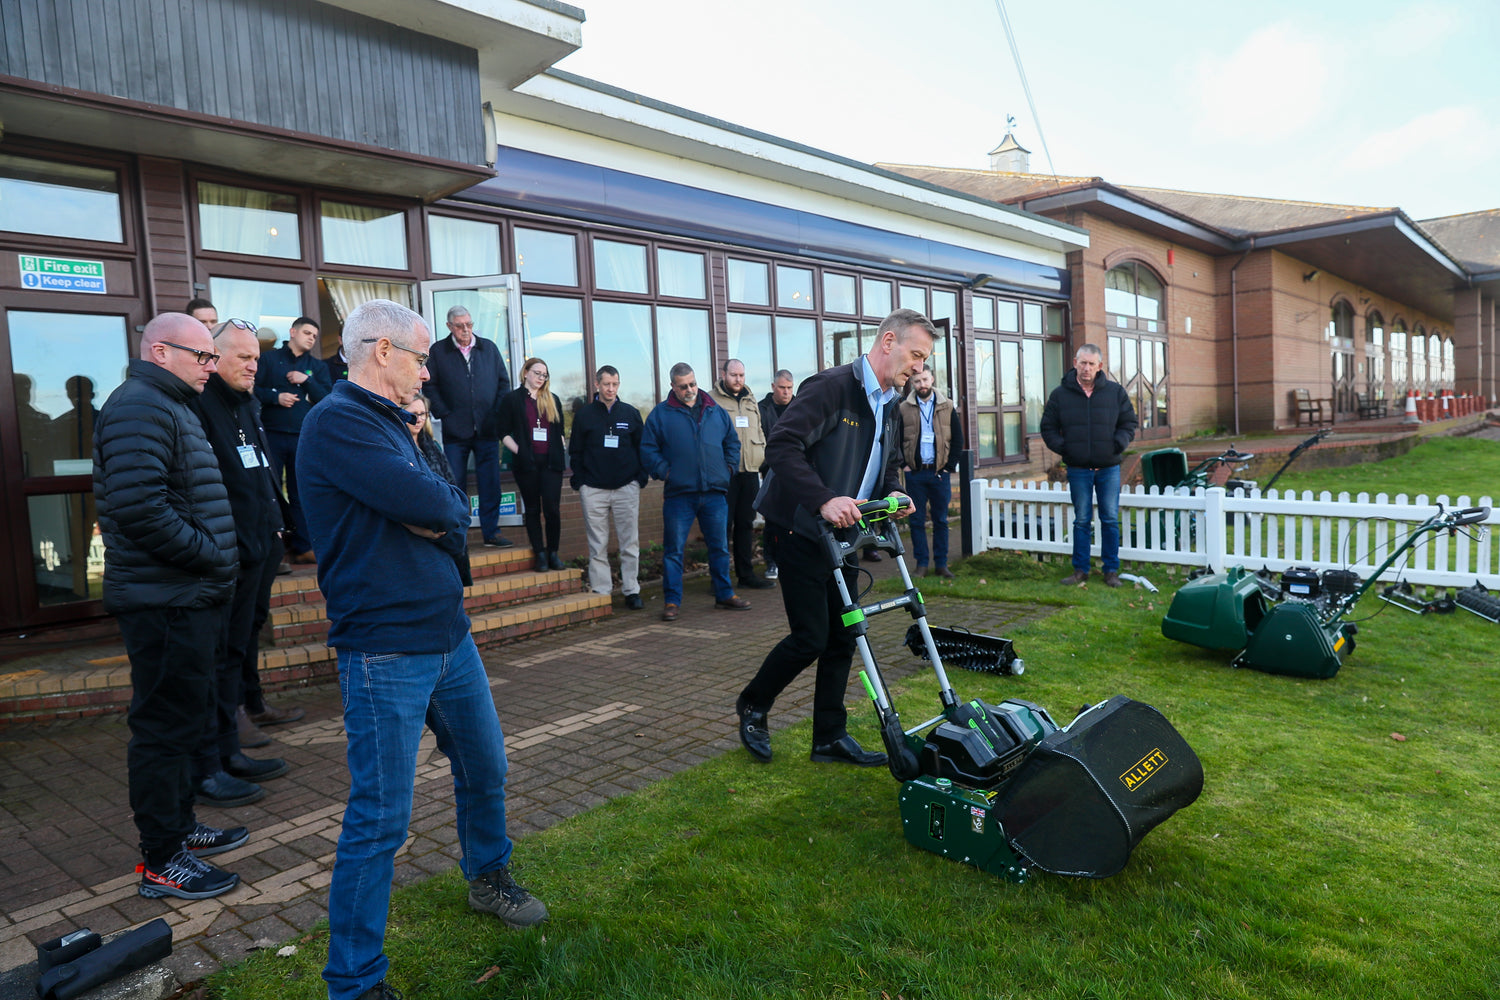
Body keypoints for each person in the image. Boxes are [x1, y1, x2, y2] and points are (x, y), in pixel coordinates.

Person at [298, 300, 546, 1000]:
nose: (426, 375)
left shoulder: (398, 424)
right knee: (380, 817)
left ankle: (488, 877)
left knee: (485, 765)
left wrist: (426, 458)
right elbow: (443, 508)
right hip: (384, 650)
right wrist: (431, 496)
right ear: (381, 352)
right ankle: (354, 980)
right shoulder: (339, 422)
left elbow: (444, 502)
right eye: (418, 360)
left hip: (447, 635)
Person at [737, 308, 930, 767]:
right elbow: (783, 446)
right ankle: (753, 704)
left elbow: (885, 466)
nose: (919, 367)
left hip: (844, 532)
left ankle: (829, 736)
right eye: (915, 354)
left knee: (844, 636)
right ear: (888, 342)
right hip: (799, 527)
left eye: (924, 359)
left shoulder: (888, 402)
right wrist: (824, 499)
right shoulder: (831, 387)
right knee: (811, 637)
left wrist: (895, 492)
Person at [93, 312, 243, 900]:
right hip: (167, 600)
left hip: (188, 596)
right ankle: (161, 859)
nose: (211, 368)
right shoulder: (139, 406)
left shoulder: (170, 404)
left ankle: (179, 829)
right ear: (160, 351)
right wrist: (211, 555)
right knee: (162, 728)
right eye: (202, 356)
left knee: (186, 718)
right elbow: (139, 509)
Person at [191, 319, 298, 807]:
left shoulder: (248, 403)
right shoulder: (198, 406)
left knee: (238, 648)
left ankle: (230, 751)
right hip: (224, 555)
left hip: (260, 547)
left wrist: (277, 526)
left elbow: (261, 470)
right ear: (213, 359)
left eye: (256, 357)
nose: (254, 366)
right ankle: (211, 762)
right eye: (243, 357)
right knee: (217, 657)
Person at [640, 363, 751, 622]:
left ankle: (724, 594)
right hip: (680, 495)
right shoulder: (660, 415)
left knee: (720, 547)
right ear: (673, 387)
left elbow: (732, 442)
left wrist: (728, 469)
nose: (689, 389)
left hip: (714, 493)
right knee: (674, 550)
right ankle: (671, 601)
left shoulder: (715, 410)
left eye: (692, 383)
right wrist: (665, 472)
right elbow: (648, 450)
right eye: (683, 386)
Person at [1039, 344, 1139, 588]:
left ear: (1099, 366)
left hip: (1108, 468)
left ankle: (1111, 571)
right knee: (1081, 520)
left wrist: (1118, 443)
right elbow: (1047, 427)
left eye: (1091, 364)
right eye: (1082, 363)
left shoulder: (1115, 393)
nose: (1086, 368)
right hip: (1078, 469)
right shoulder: (1060, 395)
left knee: (1109, 520)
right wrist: (1066, 449)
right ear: (1075, 363)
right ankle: (1080, 570)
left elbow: (1129, 423)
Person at [424, 306, 513, 548]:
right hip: (455, 432)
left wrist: (496, 416)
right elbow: (429, 387)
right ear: (449, 326)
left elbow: (503, 386)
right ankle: (457, 536)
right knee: (455, 485)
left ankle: (491, 532)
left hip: (487, 430)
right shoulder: (438, 351)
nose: (466, 330)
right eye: (460, 326)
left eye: (469, 325)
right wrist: (445, 414)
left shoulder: (489, 348)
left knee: (490, 484)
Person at [254, 316, 332, 564]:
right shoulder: (269, 360)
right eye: (307, 333)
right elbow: (252, 389)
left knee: (302, 493)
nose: (311, 338)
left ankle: (303, 547)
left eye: (315, 336)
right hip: (272, 435)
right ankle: (273, 548)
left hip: (302, 437)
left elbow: (327, 398)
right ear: (293, 332)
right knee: (270, 492)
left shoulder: (316, 367)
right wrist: (276, 397)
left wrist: (306, 380)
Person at [569, 366, 648, 610]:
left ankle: (631, 590)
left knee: (629, 543)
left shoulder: (630, 413)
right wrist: (581, 482)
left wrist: (639, 479)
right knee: (597, 545)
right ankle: (602, 592)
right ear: (597, 385)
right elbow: (576, 452)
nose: (610, 389)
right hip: (594, 490)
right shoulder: (584, 416)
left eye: (614, 384)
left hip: (626, 488)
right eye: (606, 384)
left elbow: (642, 448)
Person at [710, 359, 774, 590]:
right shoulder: (711, 400)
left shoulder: (750, 399)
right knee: (722, 527)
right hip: (725, 473)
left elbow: (759, 430)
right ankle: (720, 580)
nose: (738, 379)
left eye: (741, 375)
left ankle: (746, 576)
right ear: (723, 374)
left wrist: (763, 454)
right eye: (734, 375)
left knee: (746, 524)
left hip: (750, 472)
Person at [498, 358, 567, 571]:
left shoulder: (552, 399)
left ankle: (553, 552)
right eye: (537, 373)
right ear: (526, 372)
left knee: (552, 509)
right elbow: (502, 432)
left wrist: (559, 449)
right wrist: (520, 451)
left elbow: (561, 431)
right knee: (533, 509)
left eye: (544, 375)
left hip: (551, 464)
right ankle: (540, 554)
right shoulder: (512, 399)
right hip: (526, 464)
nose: (540, 378)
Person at [897, 369, 964, 579]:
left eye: (925, 379)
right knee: (915, 521)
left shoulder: (947, 405)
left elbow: (958, 439)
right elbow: (895, 440)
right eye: (917, 381)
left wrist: (948, 467)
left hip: (938, 474)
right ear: (912, 383)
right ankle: (921, 564)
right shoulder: (903, 408)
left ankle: (942, 564)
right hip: (915, 473)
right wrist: (904, 465)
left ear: (932, 379)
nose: (921, 384)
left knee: (941, 521)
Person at [757, 369, 795, 581]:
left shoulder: (800, 406)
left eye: (790, 388)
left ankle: (789, 561)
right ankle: (771, 562)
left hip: (796, 473)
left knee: (794, 520)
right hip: (769, 472)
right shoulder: (762, 409)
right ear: (773, 387)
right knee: (772, 520)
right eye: (782, 388)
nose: (786, 392)